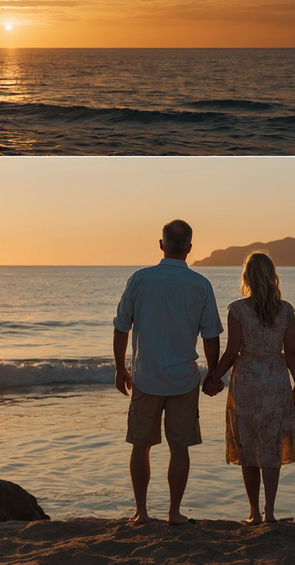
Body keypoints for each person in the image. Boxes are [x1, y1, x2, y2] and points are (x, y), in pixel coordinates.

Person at [113, 219, 224, 525]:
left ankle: (142, 512)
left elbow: (121, 327)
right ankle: (174, 513)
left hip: (146, 377)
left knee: (141, 445)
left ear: (161, 245)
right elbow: (211, 336)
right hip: (183, 378)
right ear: (189, 248)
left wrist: (120, 367)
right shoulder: (201, 284)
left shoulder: (140, 279)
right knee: (180, 447)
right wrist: (212, 374)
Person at [207, 251, 295, 524]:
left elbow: (232, 352)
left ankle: (253, 513)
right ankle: (269, 512)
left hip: (247, 380)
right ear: (272, 276)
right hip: (276, 379)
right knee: (270, 446)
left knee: (248, 446)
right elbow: (291, 353)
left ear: (247, 276)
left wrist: (213, 377)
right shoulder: (286, 310)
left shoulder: (238, 309)